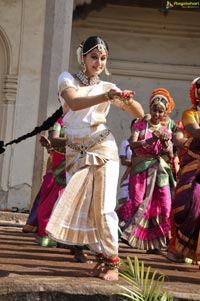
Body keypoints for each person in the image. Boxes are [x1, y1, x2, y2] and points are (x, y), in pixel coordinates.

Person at [46, 35, 144, 281]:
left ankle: (112, 261)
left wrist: (127, 101)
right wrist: (108, 97)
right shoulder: (67, 79)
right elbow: (74, 102)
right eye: (94, 57)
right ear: (82, 57)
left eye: (103, 58)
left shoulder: (108, 88)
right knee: (86, 209)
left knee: (103, 208)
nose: (98, 62)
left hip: (103, 149)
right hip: (75, 153)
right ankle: (100, 258)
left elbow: (140, 113)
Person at [120, 88, 176, 254]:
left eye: (161, 111)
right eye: (154, 110)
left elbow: (171, 154)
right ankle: (134, 236)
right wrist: (152, 139)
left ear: (165, 113)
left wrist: (165, 143)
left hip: (158, 171)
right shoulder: (140, 125)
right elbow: (133, 145)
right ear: (149, 109)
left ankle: (156, 243)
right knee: (138, 202)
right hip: (140, 168)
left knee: (164, 205)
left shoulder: (166, 130)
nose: (157, 114)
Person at [167, 77, 200, 266]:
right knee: (184, 206)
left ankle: (188, 251)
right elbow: (195, 132)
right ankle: (179, 247)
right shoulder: (190, 113)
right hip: (192, 164)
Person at [116, 118, 137, 231]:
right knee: (124, 203)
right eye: (134, 127)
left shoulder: (143, 144)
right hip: (127, 177)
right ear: (130, 128)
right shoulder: (126, 143)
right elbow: (123, 161)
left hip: (139, 178)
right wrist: (139, 162)